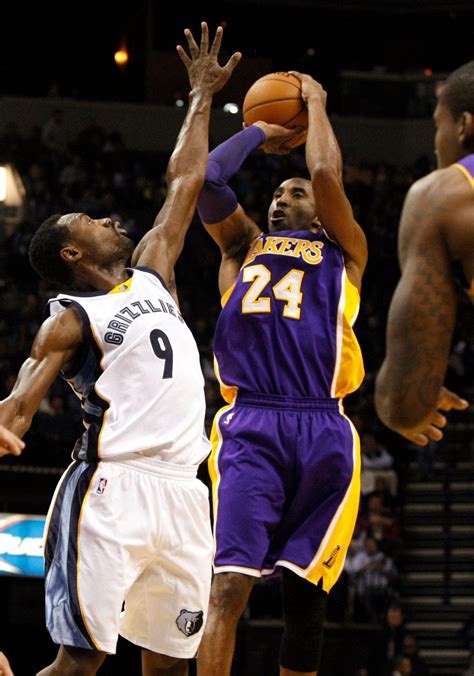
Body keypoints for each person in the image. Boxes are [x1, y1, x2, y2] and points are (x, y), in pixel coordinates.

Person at [0, 22, 240, 676]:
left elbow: (186, 181)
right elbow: (18, 406)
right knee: (80, 663)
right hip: (111, 489)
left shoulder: (154, 269)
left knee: (166, 666)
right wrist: (4, 424)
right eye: (91, 221)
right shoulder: (70, 317)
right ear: (72, 252)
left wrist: (200, 93)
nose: (110, 219)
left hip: (186, 492)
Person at [196, 71, 368, 675]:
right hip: (251, 422)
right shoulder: (241, 247)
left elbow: (326, 175)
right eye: (277, 194)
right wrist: (259, 129)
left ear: (323, 212)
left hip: (324, 426)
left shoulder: (346, 252)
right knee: (225, 590)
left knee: (306, 601)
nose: (280, 198)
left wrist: (316, 103)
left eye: (294, 194)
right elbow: (206, 179)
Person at [374, 61, 474, 446]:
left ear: (464, 125)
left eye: (438, 125)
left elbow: (404, 404)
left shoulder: (443, 197)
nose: (436, 142)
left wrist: (410, 406)